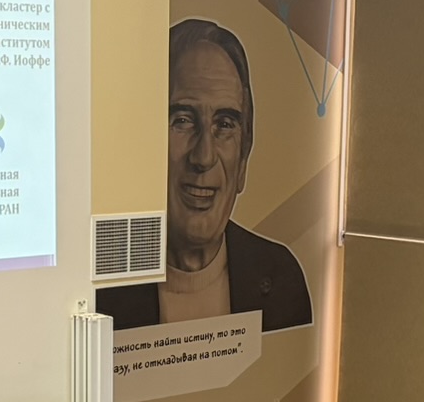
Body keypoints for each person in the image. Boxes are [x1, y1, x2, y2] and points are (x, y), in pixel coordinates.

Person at [94, 19, 312, 332]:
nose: (204, 157)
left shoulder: (280, 278)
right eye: (183, 120)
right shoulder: (96, 284)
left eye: (224, 125)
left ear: (243, 158)